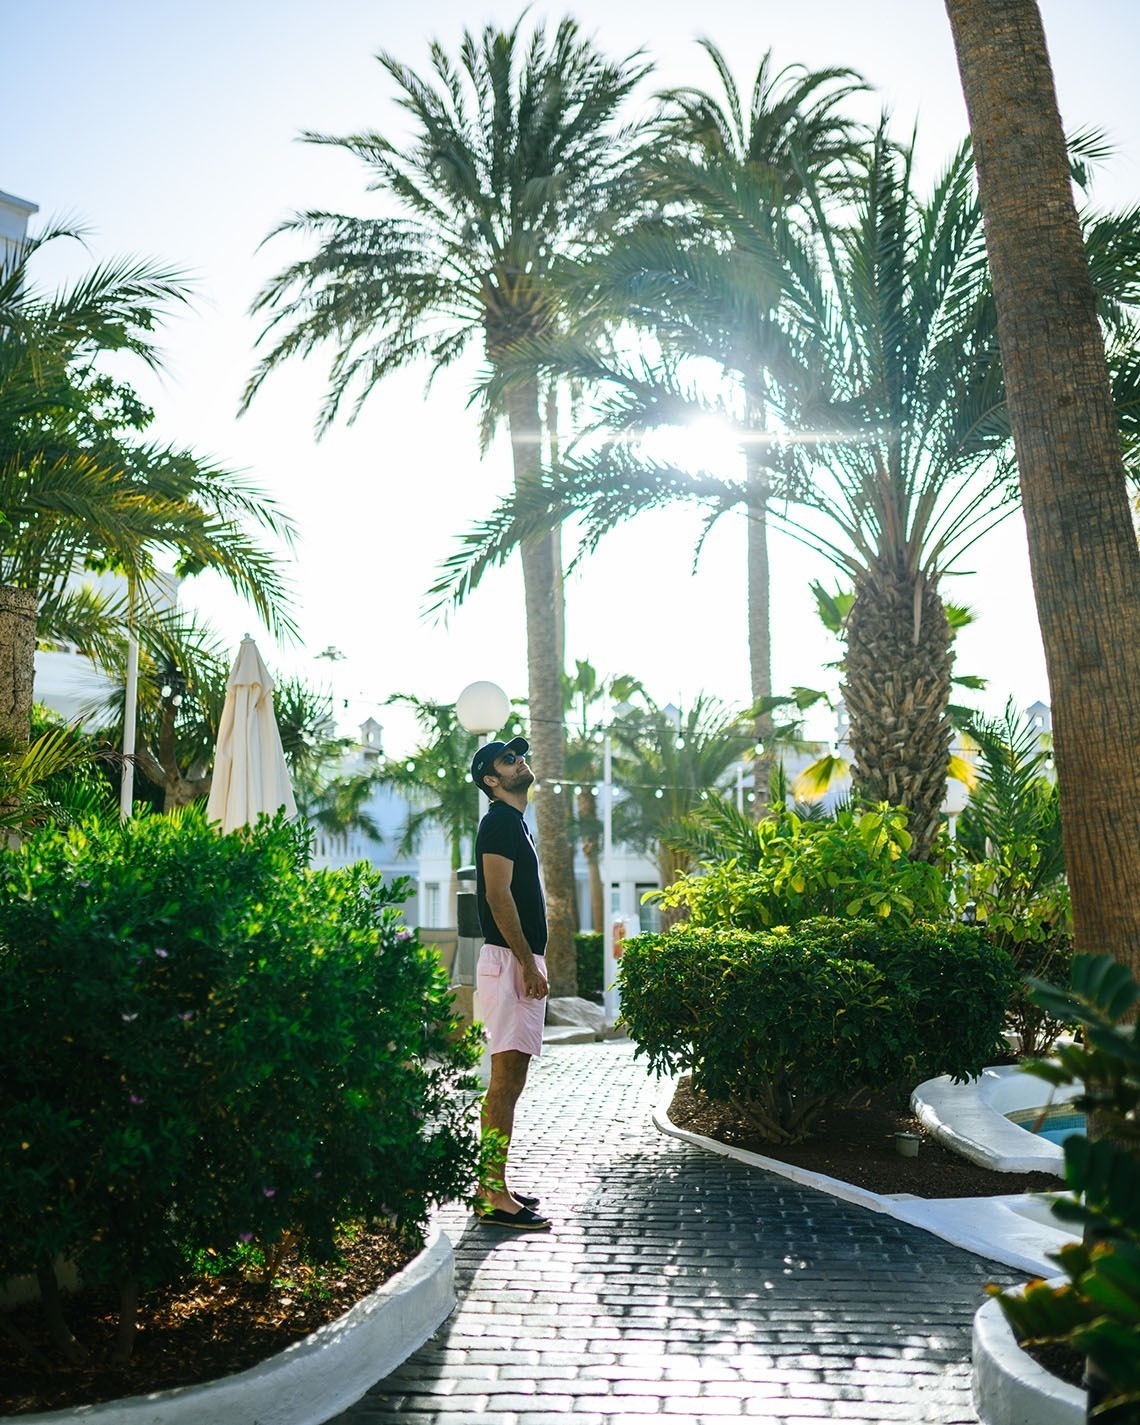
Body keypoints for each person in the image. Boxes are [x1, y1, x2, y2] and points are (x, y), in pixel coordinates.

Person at [470, 736, 552, 1231]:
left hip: (512, 960)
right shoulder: (499, 822)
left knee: (511, 1079)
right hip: (507, 960)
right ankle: (492, 1194)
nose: (521, 760)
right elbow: (499, 897)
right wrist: (526, 961)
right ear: (491, 781)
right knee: (504, 1081)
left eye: (521, 754)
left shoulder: (513, 823)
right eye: (508, 759)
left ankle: (491, 1183)